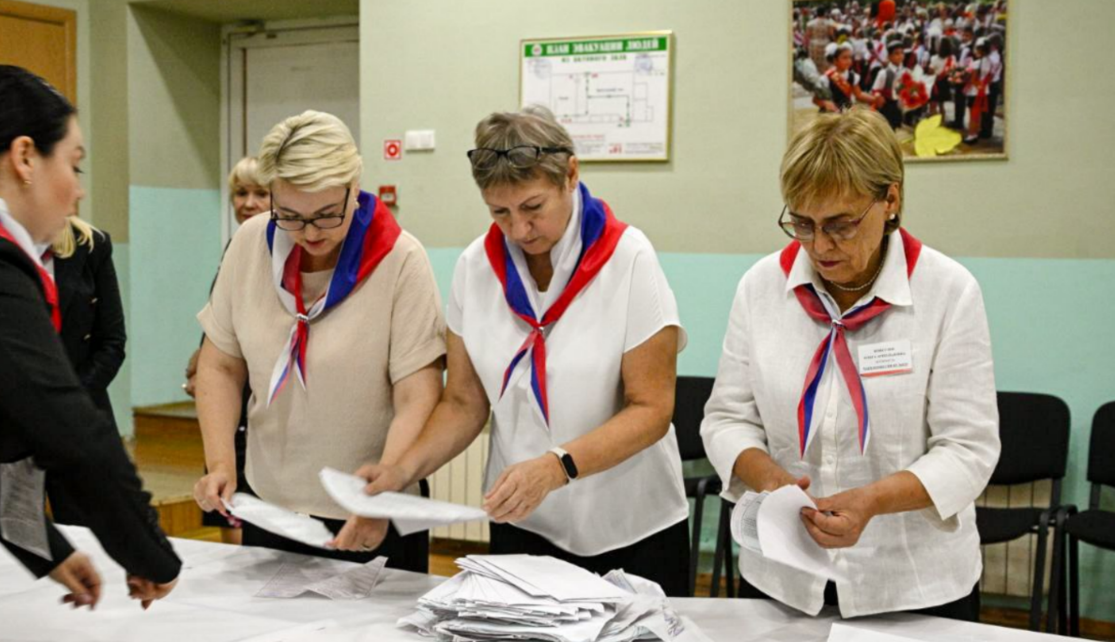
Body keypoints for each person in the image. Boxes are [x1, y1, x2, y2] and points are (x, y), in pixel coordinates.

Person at [357, 107, 691, 596]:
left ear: (570, 175)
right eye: (500, 212)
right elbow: (464, 402)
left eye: (533, 207)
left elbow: (652, 408)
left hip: (629, 521)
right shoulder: (476, 268)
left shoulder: (628, 258)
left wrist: (558, 466)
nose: (519, 230)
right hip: (523, 517)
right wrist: (401, 471)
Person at [701, 108, 1000, 620]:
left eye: (840, 225)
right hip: (784, 577)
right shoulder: (761, 289)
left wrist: (872, 501)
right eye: (803, 223)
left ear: (891, 200)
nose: (819, 246)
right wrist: (770, 478)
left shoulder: (947, 292)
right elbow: (727, 418)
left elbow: (968, 448)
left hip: (911, 581)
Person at [0, 65, 180, 641]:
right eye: (75, 163)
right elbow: (69, 431)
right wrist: (152, 554)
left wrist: (47, 548)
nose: (79, 188)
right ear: (25, 156)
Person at [191, 110, 445, 571]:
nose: (310, 233)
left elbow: (418, 395)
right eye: (290, 216)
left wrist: (379, 500)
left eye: (327, 215)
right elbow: (221, 365)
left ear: (354, 186)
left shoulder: (401, 259)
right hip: (270, 503)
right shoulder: (250, 244)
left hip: (369, 510)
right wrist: (221, 464)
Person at [184, 157, 270, 545]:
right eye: (240, 193)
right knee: (227, 507)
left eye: (260, 194)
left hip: (261, 398)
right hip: (231, 403)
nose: (248, 203)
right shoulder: (235, 248)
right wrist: (203, 364)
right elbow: (223, 324)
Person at [42, 216, 127, 525]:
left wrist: (69, 403)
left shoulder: (91, 244)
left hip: (80, 411)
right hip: (11, 420)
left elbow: (112, 343)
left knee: (91, 533)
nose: (78, 190)